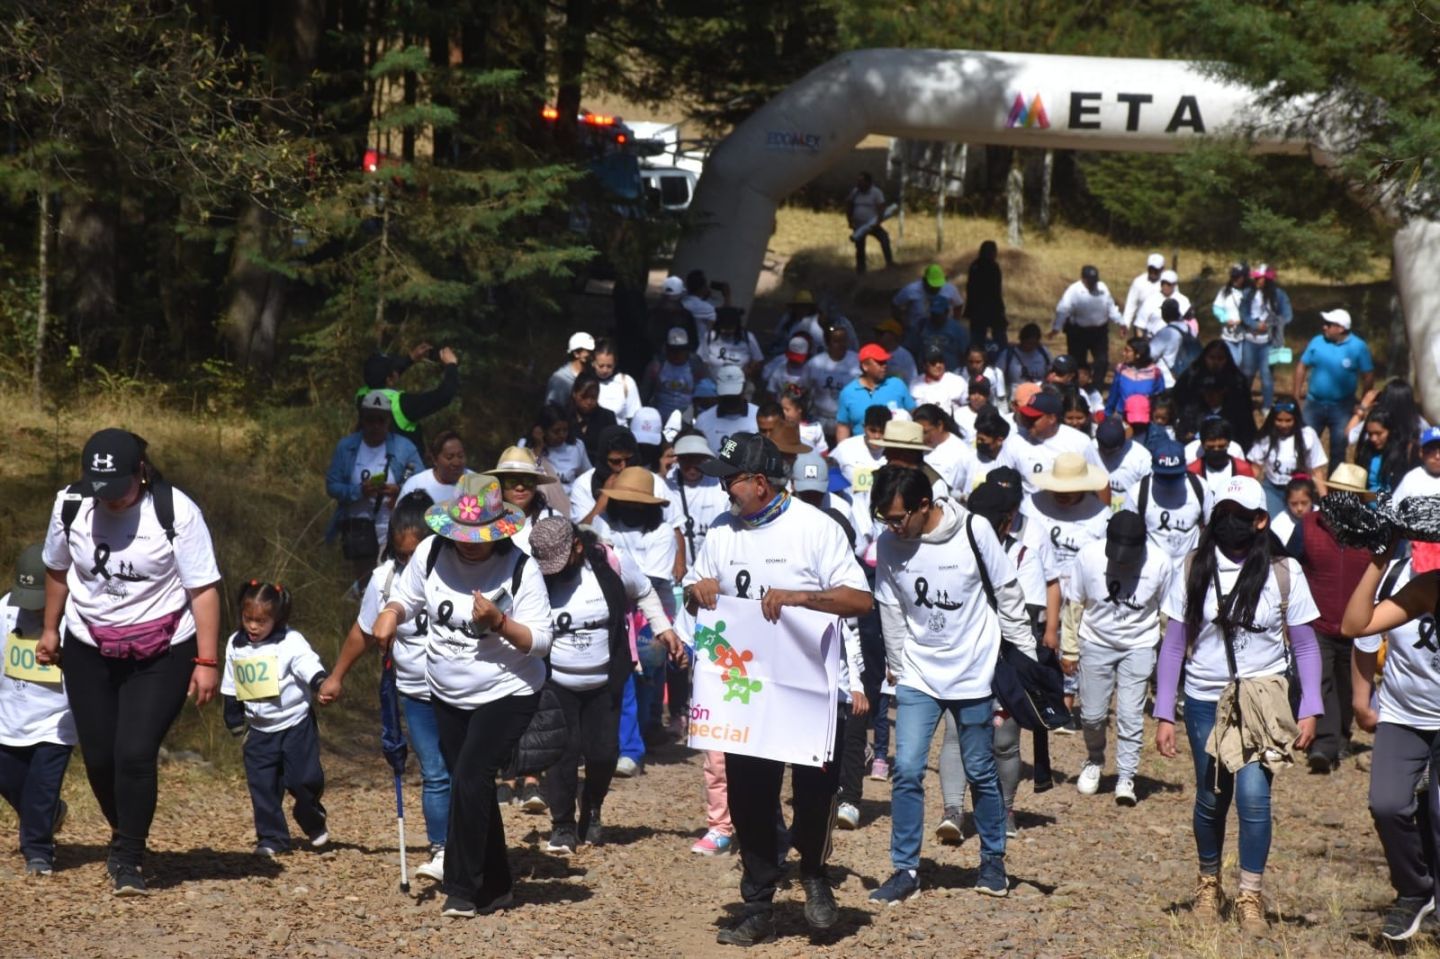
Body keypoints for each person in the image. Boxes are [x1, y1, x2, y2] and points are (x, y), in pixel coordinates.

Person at [683, 434, 872, 946]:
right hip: (744, 692)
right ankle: (758, 902)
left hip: (809, 690)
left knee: (814, 795)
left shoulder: (816, 529)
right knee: (749, 799)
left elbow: (859, 600)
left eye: (730, 480)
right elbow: (694, 590)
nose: (724, 491)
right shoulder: (721, 532)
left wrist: (799, 598)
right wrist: (695, 590)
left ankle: (813, 873)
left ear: (759, 482)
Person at [36, 429, 222, 895]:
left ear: (140, 471)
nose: (111, 501)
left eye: (118, 490)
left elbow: (203, 588)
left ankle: (128, 857)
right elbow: (57, 569)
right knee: (99, 756)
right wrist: (50, 627)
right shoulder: (72, 505)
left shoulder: (175, 511)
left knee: (134, 752)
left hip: (163, 646)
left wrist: (207, 659)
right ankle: (125, 827)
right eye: (103, 491)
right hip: (88, 642)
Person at [370, 473, 551, 918]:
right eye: (462, 535)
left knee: (469, 777)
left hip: (507, 691)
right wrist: (390, 614)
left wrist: (500, 623)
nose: (469, 543)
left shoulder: (521, 568)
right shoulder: (432, 552)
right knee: (471, 784)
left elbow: (542, 641)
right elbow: (407, 598)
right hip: (447, 692)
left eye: (479, 536)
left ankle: (462, 888)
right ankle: (497, 882)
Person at [1154, 475, 1321, 933]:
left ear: (1260, 521)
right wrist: (1164, 711)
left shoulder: (1284, 572)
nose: (1229, 524)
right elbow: (1173, 645)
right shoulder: (1192, 568)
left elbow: (1305, 646)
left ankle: (1250, 893)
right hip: (1206, 698)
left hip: (1262, 701)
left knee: (1253, 797)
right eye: (1221, 516)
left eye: (1239, 517)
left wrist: (1311, 705)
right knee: (1211, 797)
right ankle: (1208, 881)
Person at [869, 465, 1033, 903]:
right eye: (885, 519)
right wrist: (896, 661)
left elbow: (1009, 595)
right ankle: (904, 869)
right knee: (905, 769)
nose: (892, 526)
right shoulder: (889, 543)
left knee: (980, 769)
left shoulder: (975, 531)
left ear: (926, 506)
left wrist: (1025, 661)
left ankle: (993, 860)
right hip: (918, 673)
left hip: (973, 673)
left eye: (899, 518)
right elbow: (888, 604)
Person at [527, 518, 683, 854]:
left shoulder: (610, 564)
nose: (553, 572)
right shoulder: (533, 575)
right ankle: (563, 824)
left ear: (577, 548)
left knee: (603, 753)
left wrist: (663, 629)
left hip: (606, 679)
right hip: (557, 681)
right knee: (562, 754)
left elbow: (643, 591)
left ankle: (593, 805)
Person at [319, 493, 449, 881]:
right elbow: (363, 629)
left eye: (416, 553)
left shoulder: (456, 571)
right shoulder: (384, 579)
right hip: (414, 689)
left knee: (464, 769)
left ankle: (473, 844)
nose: (408, 562)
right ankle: (442, 848)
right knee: (436, 771)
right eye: (401, 554)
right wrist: (337, 675)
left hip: (462, 689)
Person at [1341, 545, 1440, 941]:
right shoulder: (1411, 581)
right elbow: (1355, 628)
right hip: (1404, 713)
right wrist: (1376, 563)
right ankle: (1415, 890)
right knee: (1387, 804)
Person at [1270, 463, 1375, 774]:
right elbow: (1289, 563)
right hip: (1317, 618)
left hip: (1359, 622)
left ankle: (1341, 736)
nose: (1346, 500)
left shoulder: (1372, 530)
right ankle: (1323, 745)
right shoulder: (1309, 525)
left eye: (1352, 496)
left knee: (1347, 682)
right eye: (1341, 494)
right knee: (1319, 678)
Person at [1065, 512, 1173, 805]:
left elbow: (1165, 611)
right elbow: (1074, 603)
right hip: (1095, 640)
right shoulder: (1088, 557)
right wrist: (1069, 648)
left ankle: (1126, 776)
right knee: (1092, 715)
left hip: (1139, 644)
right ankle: (1095, 759)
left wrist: (1168, 655)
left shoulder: (1160, 563)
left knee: (1129, 714)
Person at [222, 581, 329, 857]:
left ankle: (311, 817)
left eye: (261, 621)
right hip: (259, 729)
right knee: (263, 787)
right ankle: (272, 838)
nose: (253, 627)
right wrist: (232, 714)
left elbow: (306, 662)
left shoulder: (290, 641)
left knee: (304, 779)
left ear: (277, 618)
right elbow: (231, 682)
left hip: (295, 723)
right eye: (248, 619)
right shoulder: (236, 644)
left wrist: (319, 681)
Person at [0, 544, 74, 876]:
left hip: (55, 721)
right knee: (11, 780)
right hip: (8, 719)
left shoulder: (75, 618)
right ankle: (51, 813)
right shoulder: (4, 611)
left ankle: (38, 851)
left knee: (42, 787)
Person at [1032, 452, 1112, 727]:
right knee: (1039, 644)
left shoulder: (1100, 514)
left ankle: (1065, 705)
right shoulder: (1034, 504)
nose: (1062, 495)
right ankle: (1036, 701)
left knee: (1071, 646)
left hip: (1079, 591)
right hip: (1038, 587)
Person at [326, 391, 425, 583]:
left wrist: (399, 490)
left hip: (393, 526)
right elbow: (332, 486)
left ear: (389, 421)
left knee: (392, 579)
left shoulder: (404, 447)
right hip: (357, 527)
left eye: (381, 420)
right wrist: (358, 491)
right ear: (362, 419)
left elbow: (421, 481)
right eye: (370, 420)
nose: (375, 426)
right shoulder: (346, 447)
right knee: (365, 581)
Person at [1295, 308, 1376, 467]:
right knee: (1303, 445)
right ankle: (1300, 484)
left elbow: (1368, 375)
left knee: (1338, 451)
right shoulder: (1317, 341)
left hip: (1342, 407)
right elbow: (1301, 366)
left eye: (1328, 324)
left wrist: (1363, 402)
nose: (1324, 327)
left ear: (1341, 328)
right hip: (1313, 404)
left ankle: (1333, 489)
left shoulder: (1358, 347)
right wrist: (1296, 396)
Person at [998, 388, 1104, 500]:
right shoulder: (1014, 442)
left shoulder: (1080, 442)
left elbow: (1101, 483)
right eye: (1026, 416)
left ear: (1052, 418)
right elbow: (999, 481)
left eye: (1034, 418)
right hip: (1030, 514)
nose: (1028, 421)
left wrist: (1104, 516)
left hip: (1070, 514)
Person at [359, 343, 461, 457]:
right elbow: (444, 396)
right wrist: (451, 365)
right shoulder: (401, 404)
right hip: (406, 469)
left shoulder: (361, 396)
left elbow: (381, 377)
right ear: (391, 378)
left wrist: (410, 359)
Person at [1122, 440, 1206, 565]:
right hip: (1151, 569)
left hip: (1190, 571)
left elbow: (1210, 525)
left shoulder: (1200, 487)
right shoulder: (1138, 492)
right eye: (1164, 476)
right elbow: (1127, 533)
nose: (1169, 480)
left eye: (1174, 475)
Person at [1250, 396, 1329, 516]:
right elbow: (1255, 468)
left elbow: (1317, 471)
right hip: (1273, 489)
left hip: (1300, 489)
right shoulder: (1265, 437)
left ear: (1296, 419)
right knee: (1273, 523)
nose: (1283, 424)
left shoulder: (1308, 435)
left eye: (1288, 420)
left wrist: (1325, 500)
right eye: (1279, 420)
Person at [1175, 341, 1256, 452]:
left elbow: (1246, 415)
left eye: (1220, 358)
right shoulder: (1191, 376)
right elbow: (1179, 402)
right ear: (1204, 357)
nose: (1215, 362)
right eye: (1211, 358)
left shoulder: (1237, 379)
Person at [1051, 265, 1121, 386]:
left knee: (1102, 361)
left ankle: (1097, 386)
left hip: (1099, 332)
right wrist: (1056, 328)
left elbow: (1111, 307)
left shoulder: (1102, 288)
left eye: (1095, 281)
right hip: (1078, 332)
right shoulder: (1073, 290)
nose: (1093, 284)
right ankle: (1077, 387)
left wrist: (1121, 322)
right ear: (1083, 279)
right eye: (1090, 281)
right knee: (1077, 362)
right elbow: (1063, 309)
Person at [1239, 265, 1293, 412]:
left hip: (1269, 341)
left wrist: (1270, 324)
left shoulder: (1279, 295)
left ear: (1267, 279)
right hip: (1250, 340)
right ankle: (1242, 402)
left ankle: (1267, 406)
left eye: (1259, 278)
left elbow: (1287, 316)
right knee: (1247, 373)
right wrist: (1254, 324)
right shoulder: (1248, 293)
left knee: (1266, 374)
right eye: (1255, 277)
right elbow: (1243, 314)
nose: (1256, 280)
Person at [493, 446, 565, 557]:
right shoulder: (487, 523)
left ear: (536, 483)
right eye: (511, 481)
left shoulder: (553, 520)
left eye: (527, 480)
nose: (520, 487)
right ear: (500, 484)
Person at [835, 344, 914, 442]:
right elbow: (843, 426)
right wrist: (842, 453)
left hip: (894, 451)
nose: (884, 366)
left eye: (885, 362)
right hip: (862, 452)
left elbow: (913, 414)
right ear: (865, 366)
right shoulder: (848, 393)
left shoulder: (897, 385)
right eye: (880, 363)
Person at [802, 325, 861, 439]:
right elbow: (803, 389)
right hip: (819, 420)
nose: (841, 344)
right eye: (836, 341)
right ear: (827, 343)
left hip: (847, 423)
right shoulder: (815, 363)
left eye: (844, 340)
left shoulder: (857, 362)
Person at [641, 327, 709, 422]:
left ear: (687, 349)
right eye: (673, 350)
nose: (676, 354)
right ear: (667, 349)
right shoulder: (657, 366)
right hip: (661, 419)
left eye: (680, 350)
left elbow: (705, 392)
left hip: (687, 419)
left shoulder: (695, 365)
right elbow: (645, 393)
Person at [1352, 407, 1419, 495]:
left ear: (1391, 431)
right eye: (1370, 434)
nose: (1373, 438)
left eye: (1378, 433)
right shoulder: (1366, 451)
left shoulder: (1404, 454)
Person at [695, 366, 759, 452]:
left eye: (734, 396)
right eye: (726, 396)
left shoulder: (758, 416)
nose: (730, 400)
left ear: (744, 388)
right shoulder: (703, 420)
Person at [398, 430, 473, 503]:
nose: (456, 463)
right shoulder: (416, 484)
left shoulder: (476, 483)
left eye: (460, 456)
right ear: (434, 459)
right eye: (449, 457)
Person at [1094, 418, 1153, 511]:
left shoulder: (1141, 458)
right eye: (1103, 448)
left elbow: (1147, 492)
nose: (1106, 452)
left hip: (1126, 516)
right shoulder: (1090, 449)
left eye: (1111, 450)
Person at [532, 404, 592, 496]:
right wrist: (538, 447)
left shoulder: (576, 446)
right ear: (543, 430)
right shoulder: (528, 446)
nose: (562, 435)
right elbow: (531, 474)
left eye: (565, 430)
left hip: (570, 499)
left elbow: (588, 475)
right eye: (556, 431)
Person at [1188, 418, 1257, 496]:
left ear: (1228, 443)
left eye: (1221, 446)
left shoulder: (1243, 469)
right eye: (1210, 447)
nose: (1216, 450)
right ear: (1203, 444)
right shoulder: (1193, 472)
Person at [1104, 338, 1166, 421]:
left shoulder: (1155, 373)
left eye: (1127, 351)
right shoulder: (1122, 370)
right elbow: (1113, 395)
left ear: (1138, 354)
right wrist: (1107, 415)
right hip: (1122, 417)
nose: (1123, 353)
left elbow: (1160, 399)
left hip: (1144, 419)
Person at [905, 294, 970, 372]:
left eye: (938, 314)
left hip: (951, 373)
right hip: (925, 373)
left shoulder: (957, 329)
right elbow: (909, 350)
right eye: (933, 314)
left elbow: (965, 354)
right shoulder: (920, 326)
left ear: (946, 312)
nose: (935, 317)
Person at [698, 307, 764, 382]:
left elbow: (757, 359)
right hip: (711, 383)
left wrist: (747, 372)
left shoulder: (748, 337)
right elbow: (703, 359)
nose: (727, 331)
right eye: (724, 328)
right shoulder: (709, 336)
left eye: (731, 328)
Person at [893, 263, 962, 333]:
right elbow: (895, 304)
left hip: (942, 331)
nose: (935, 289)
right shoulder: (911, 290)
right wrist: (902, 324)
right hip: (916, 331)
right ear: (924, 280)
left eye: (938, 286)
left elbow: (958, 305)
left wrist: (954, 324)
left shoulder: (950, 289)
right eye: (932, 286)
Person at [846, 172, 894, 273]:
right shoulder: (855, 192)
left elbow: (882, 208)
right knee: (860, 248)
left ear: (868, 182)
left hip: (872, 224)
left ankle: (890, 263)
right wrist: (849, 220)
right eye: (858, 182)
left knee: (884, 238)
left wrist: (878, 221)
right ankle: (861, 270)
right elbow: (849, 205)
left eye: (861, 182)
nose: (859, 184)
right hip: (858, 225)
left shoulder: (876, 192)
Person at [568, 370, 619, 463]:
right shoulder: (564, 417)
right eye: (584, 397)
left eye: (593, 397)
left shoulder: (607, 417)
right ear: (574, 393)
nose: (589, 402)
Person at [965, 240, 1007, 349]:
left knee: (979, 337)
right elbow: (996, 290)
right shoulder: (990, 266)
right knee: (996, 336)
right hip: (988, 306)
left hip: (978, 307)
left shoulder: (975, 266)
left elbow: (970, 288)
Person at [593, 339, 642, 428]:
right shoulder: (587, 382)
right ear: (593, 363)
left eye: (609, 366)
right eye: (601, 366)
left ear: (615, 363)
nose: (605, 370)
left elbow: (635, 417)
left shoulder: (626, 383)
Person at [910, 344, 968, 416]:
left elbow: (967, 407)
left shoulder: (957, 381)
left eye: (941, 361)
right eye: (933, 362)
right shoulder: (915, 383)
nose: (938, 365)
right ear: (924, 365)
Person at [768, 290, 826, 360]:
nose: (801, 309)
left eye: (804, 306)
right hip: (783, 354)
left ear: (810, 307)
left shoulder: (814, 325)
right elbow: (777, 336)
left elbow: (819, 349)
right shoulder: (787, 318)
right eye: (798, 306)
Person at [1132, 270, 1191, 338]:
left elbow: (1190, 324)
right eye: (1163, 283)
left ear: (1174, 285)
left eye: (1168, 284)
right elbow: (1139, 325)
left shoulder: (1183, 301)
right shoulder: (1151, 300)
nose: (1165, 286)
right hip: (1153, 340)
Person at [1212, 262, 1250, 366]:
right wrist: (1225, 319)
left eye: (1238, 277)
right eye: (1234, 277)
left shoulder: (1249, 292)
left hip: (1246, 335)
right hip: (1228, 336)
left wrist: (1245, 320)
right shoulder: (1224, 291)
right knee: (1234, 362)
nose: (1235, 279)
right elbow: (1217, 308)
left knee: (1245, 364)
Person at [1393, 426, 1440, 507]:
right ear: (1421, 453)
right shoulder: (1411, 480)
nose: (1437, 456)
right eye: (1431, 450)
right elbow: (1394, 512)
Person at [546, 332, 595, 408]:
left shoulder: (592, 374)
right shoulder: (560, 379)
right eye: (588, 351)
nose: (591, 355)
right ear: (576, 353)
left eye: (592, 351)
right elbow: (551, 408)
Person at [996, 323, 1052, 388]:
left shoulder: (1043, 352)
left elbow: (1051, 370)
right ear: (1021, 340)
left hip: (1039, 393)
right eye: (1027, 343)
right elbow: (998, 374)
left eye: (1033, 344)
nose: (1030, 346)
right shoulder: (1008, 354)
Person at [779, 387, 829, 457]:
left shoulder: (814, 428)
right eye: (782, 408)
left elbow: (823, 452)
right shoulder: (779, 426)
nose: (783, 412)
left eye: (787, 410)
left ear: (799, 409)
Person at [1121, 253, 1165, 331]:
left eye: (1156, 270)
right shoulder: (1139, 282)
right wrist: (1125, 324)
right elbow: (1131, 304)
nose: (1152, 272)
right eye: (1150, 269)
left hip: (1162, 327)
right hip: (1141, 326)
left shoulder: (1168, 283)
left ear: (1162, 269)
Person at [682, 270, 730, 342]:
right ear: (702, 287)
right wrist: (727, 296)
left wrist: (704, 297)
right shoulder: (705, 308)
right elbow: (725, 316)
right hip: (697, 346)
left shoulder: (681, 301)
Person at [762, 335, 812, 400]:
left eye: (797, 360)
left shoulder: (810, 370)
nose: (794, 362)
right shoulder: (780, 368)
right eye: (792, 359)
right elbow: (771, 390)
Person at [875, 319, 918, 384]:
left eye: (882, 333)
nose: (878, 336)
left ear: (893, 335)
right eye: (877, 333)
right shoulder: (874, 353)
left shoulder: (905, 356)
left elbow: (912, 380)